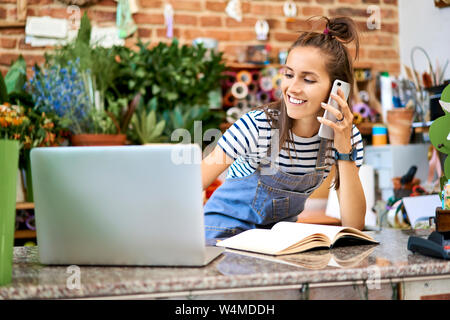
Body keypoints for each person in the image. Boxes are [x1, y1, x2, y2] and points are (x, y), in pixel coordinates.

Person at [202, 16, 366, 239]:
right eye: (288, 74)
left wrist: (344, 149)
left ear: (338, 91)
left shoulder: (348, 137)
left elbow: (354, 225)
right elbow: (192, 184)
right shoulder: (258, 125)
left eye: (308, 79)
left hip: (272, 242)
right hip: (220, 235)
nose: (292, 88)